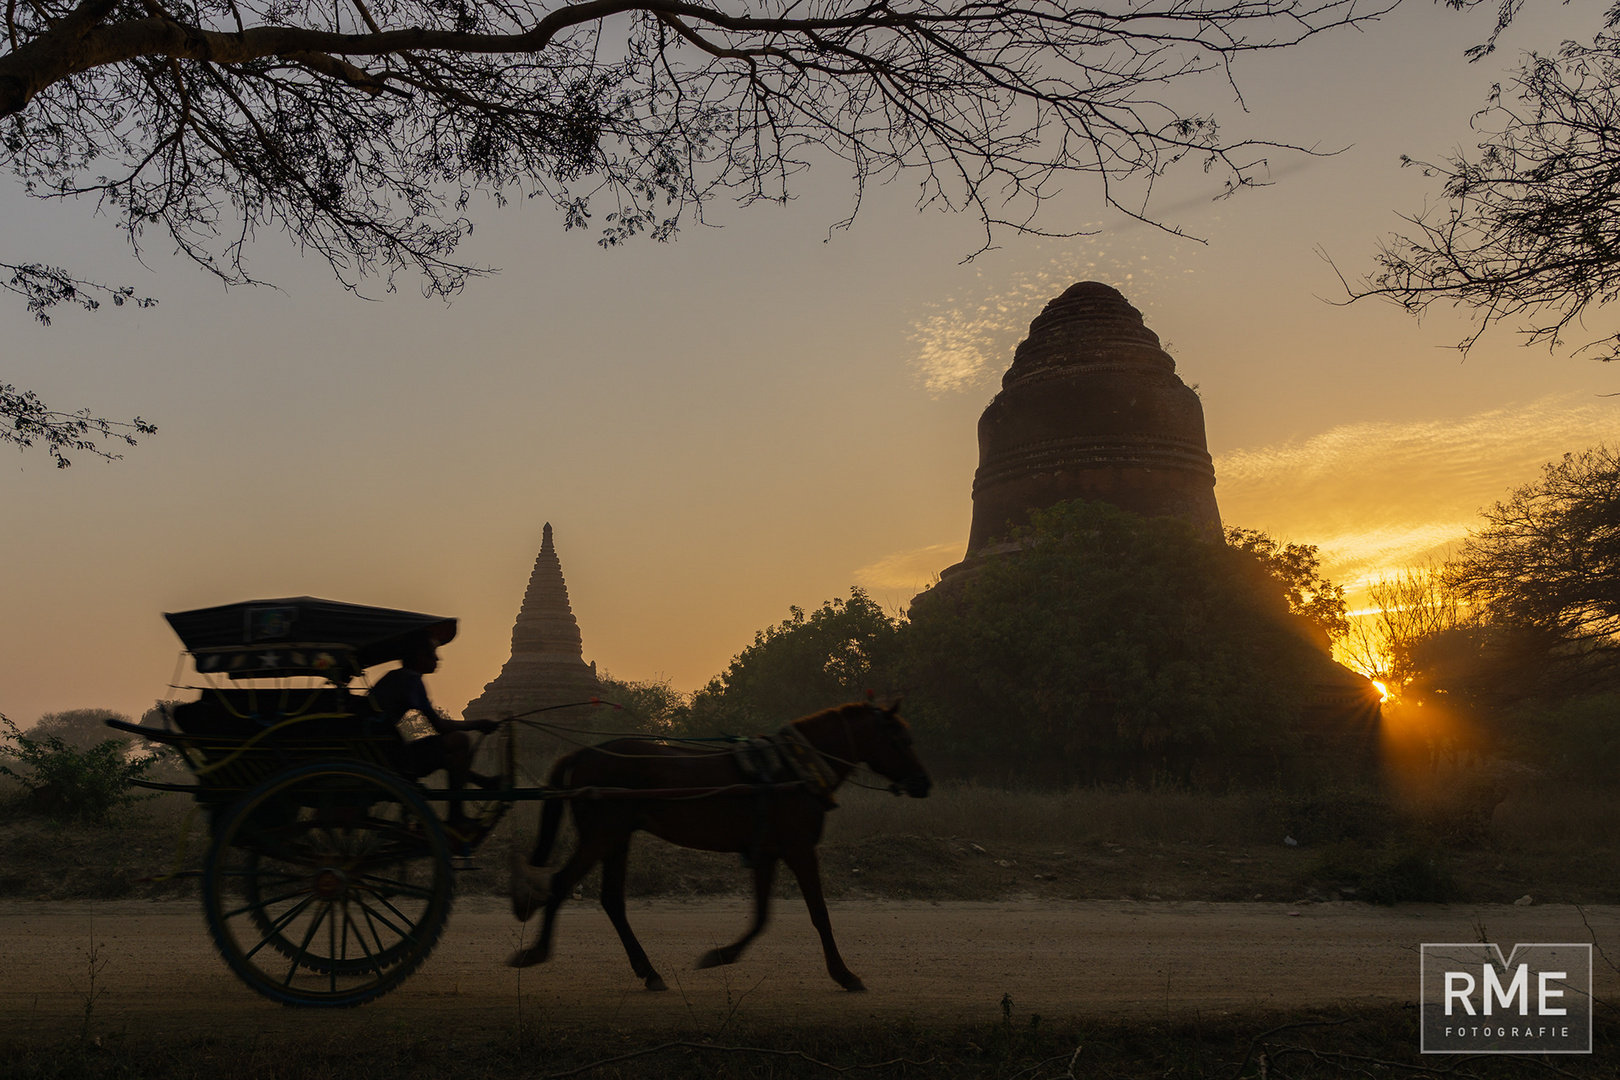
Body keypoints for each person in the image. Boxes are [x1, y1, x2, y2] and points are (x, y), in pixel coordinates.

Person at [370, 633, 498, 831]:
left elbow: (416, 729)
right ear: (420, 655)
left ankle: (483, 782)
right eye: (433, 654)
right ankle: (456, 816)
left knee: (437, 746)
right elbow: (440, 726)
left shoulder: (395, 678)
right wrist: (477, 724)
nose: (438, 660)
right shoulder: (411, 681)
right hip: (396, 757)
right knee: (460, 740)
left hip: (388, 748)